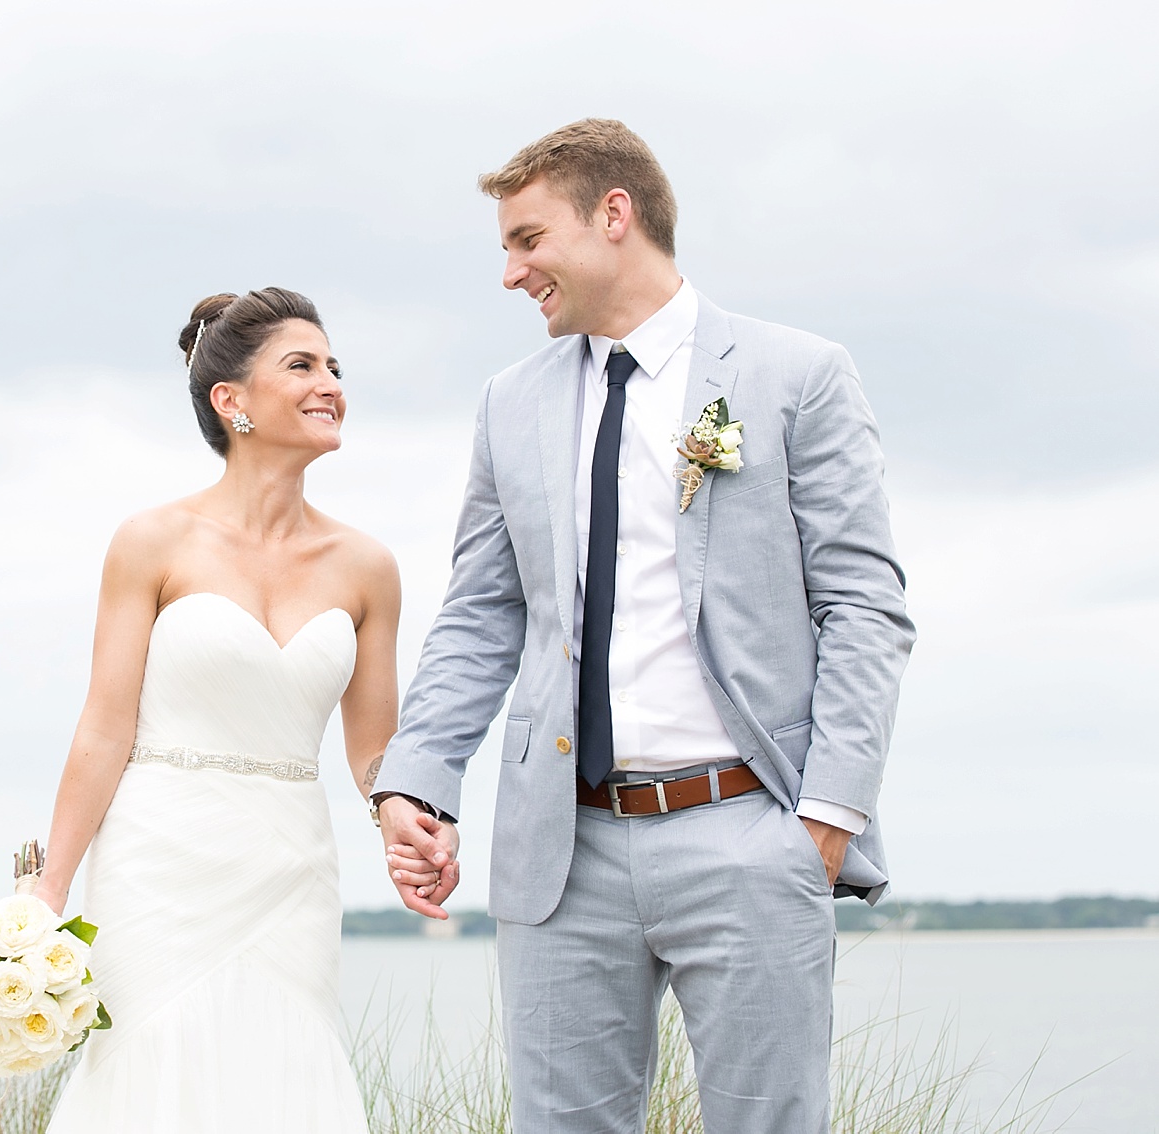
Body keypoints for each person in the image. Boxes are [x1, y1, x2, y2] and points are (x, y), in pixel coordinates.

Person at [371, 119, 915, 1133]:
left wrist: (823, 826)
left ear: (612, 215)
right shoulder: (508, 405)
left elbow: (863, 607)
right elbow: (480, 611)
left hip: (750, 833)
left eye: (526, 239)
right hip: (559, 850)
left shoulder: (793, 375)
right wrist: (416, 776)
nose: (509, 272)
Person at [34, 287, 397, 1133]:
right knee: (149, 1070)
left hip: (290, 868)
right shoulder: (152, 542)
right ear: (229, 400)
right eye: (301, 365)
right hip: (160, 862)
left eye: (334, 366)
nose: (331, 383)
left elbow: (374, 747)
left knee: (283, 1071)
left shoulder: (368, 566)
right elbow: (103, 727)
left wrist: (403, 815)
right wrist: (46, 893)